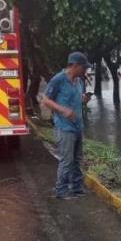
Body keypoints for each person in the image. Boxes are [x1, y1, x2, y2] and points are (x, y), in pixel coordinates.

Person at [41, 52, 92, 199]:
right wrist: (63, 110)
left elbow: (76, 99)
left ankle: (77, 188)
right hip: (64, 128)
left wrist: (84, 99)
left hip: (78, 126)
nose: (85, 71)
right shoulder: (59, 79)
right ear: (75, 66)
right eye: (84, 68)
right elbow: (46, 100)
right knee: (67, 160)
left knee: (77, 159)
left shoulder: (79, 81)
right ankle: (61, 190)